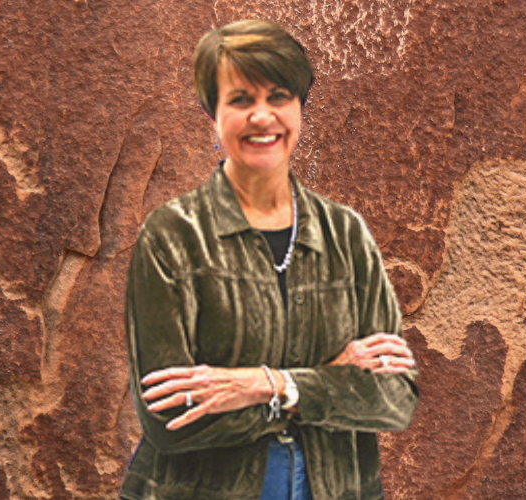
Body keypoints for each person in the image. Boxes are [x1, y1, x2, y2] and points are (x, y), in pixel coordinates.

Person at [120, 19, 419, 500]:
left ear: (300, 107)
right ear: (212, 115)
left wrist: (270, 386)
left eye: (278, 96)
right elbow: (170, 419)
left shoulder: (345, 234)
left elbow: (394, 400)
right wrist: (330, 378)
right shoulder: (173, 235)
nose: (262, 117)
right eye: (241, 100)